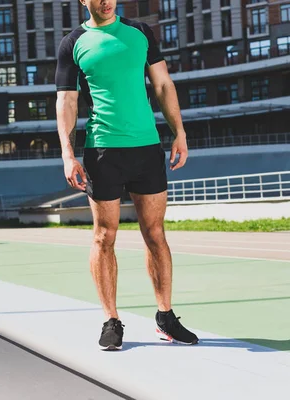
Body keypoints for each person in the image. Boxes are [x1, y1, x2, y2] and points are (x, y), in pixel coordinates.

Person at [55, 0, 199, 350]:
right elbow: (67, 101)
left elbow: (163, 84)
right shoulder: (73, 43)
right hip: (102, 151)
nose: (105, 1)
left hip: (147, 148)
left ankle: (165, 317)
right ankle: (111, 320)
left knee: (155, 233)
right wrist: (68, 153)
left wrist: (178, 132)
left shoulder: (140, 32)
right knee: (104, 236)